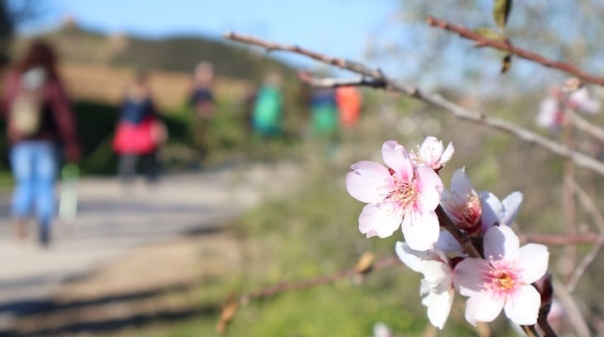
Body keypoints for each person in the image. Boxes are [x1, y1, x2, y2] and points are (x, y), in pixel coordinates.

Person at [1, 39, 80, 246]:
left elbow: (6, 105)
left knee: (25, 183)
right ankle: (44, 225)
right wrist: (71, 141)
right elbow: (64, 115)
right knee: (45, 185)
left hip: (21, 143)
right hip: (47, 143)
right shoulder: (52, 81)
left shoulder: (17, 78)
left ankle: (20, 214)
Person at [112, 71, 165, 185]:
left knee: (145, 154)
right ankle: (131, 177)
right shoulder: (138, 97)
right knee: (132, 155)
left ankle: (148, 176)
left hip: (140, 128)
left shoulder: (134, 96)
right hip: (133, 128)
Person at [252, 73, 284, 138]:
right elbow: (278, 107)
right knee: (267, 130)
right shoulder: (275, 94)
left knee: (262, 130)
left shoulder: (263, 91)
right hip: (268, 116)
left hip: (264, 116)